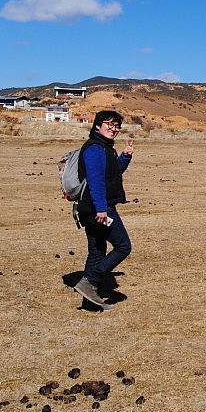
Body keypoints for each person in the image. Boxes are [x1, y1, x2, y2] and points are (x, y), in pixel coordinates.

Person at [73, 110, 135, 311]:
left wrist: (124, 157)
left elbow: (111, 174)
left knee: (97, 252)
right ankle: (90, 280)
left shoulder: (105, 148)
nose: (113, 128)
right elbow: (96, 181)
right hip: (97, 209)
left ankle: (89, 303)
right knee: (123, 246)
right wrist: (101, 209)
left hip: (91, 208)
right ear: (97, 126)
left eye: (116, 126)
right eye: (109, 124)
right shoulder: (95, 149)